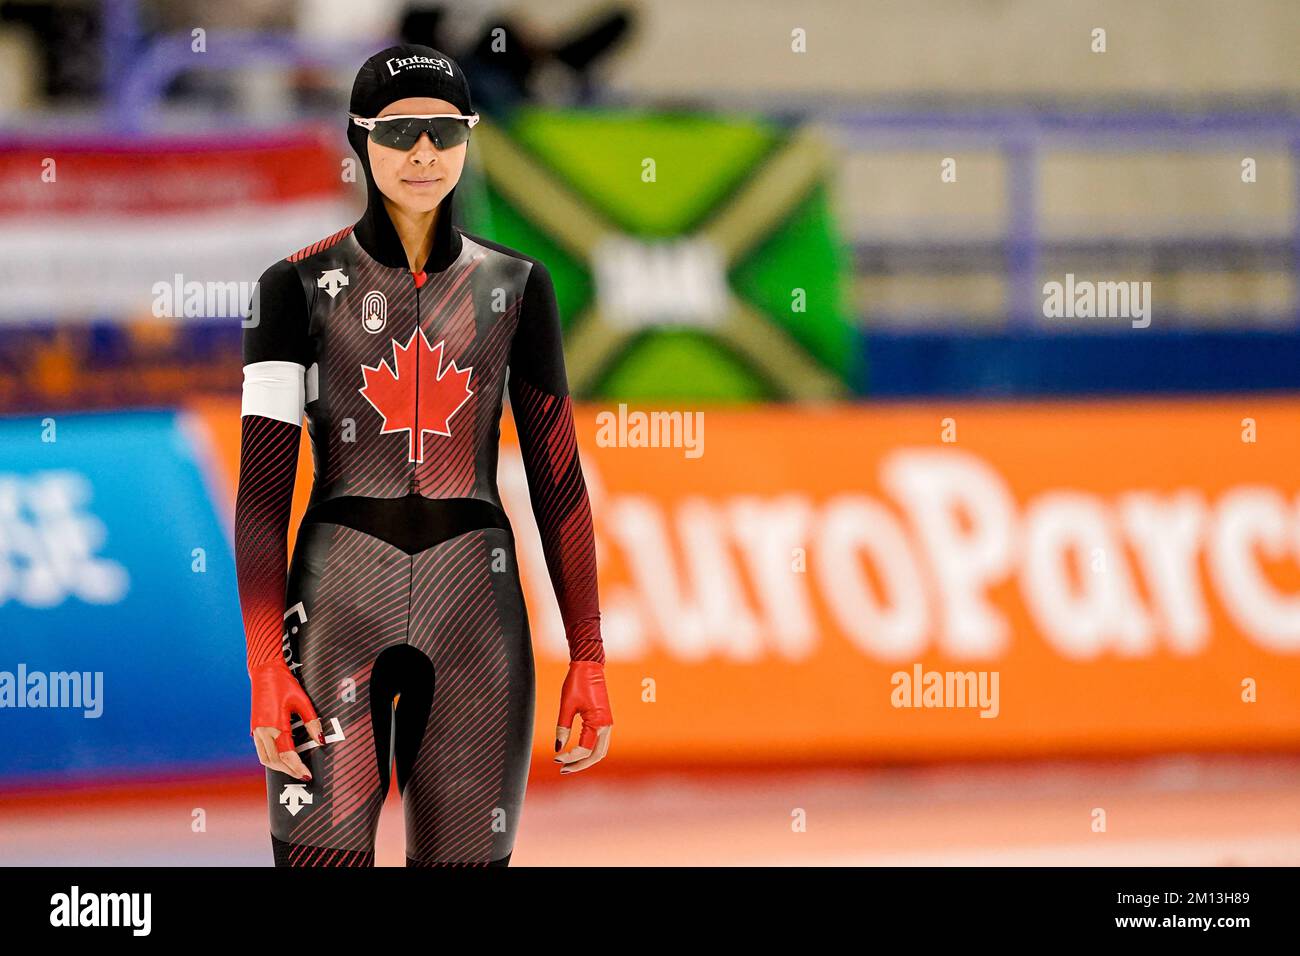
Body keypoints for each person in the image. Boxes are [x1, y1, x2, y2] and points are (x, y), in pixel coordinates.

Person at [233, 43, 612, 868]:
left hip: (478, 613)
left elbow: (559, 485)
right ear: (359, 139)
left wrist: (589, 653)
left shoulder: (516, 287)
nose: (423, 154)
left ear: (470, 138)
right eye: (400, 132)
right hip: (335, 613)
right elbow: (262, 497)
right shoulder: (292, 288)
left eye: (444, 132)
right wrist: (266, 664)